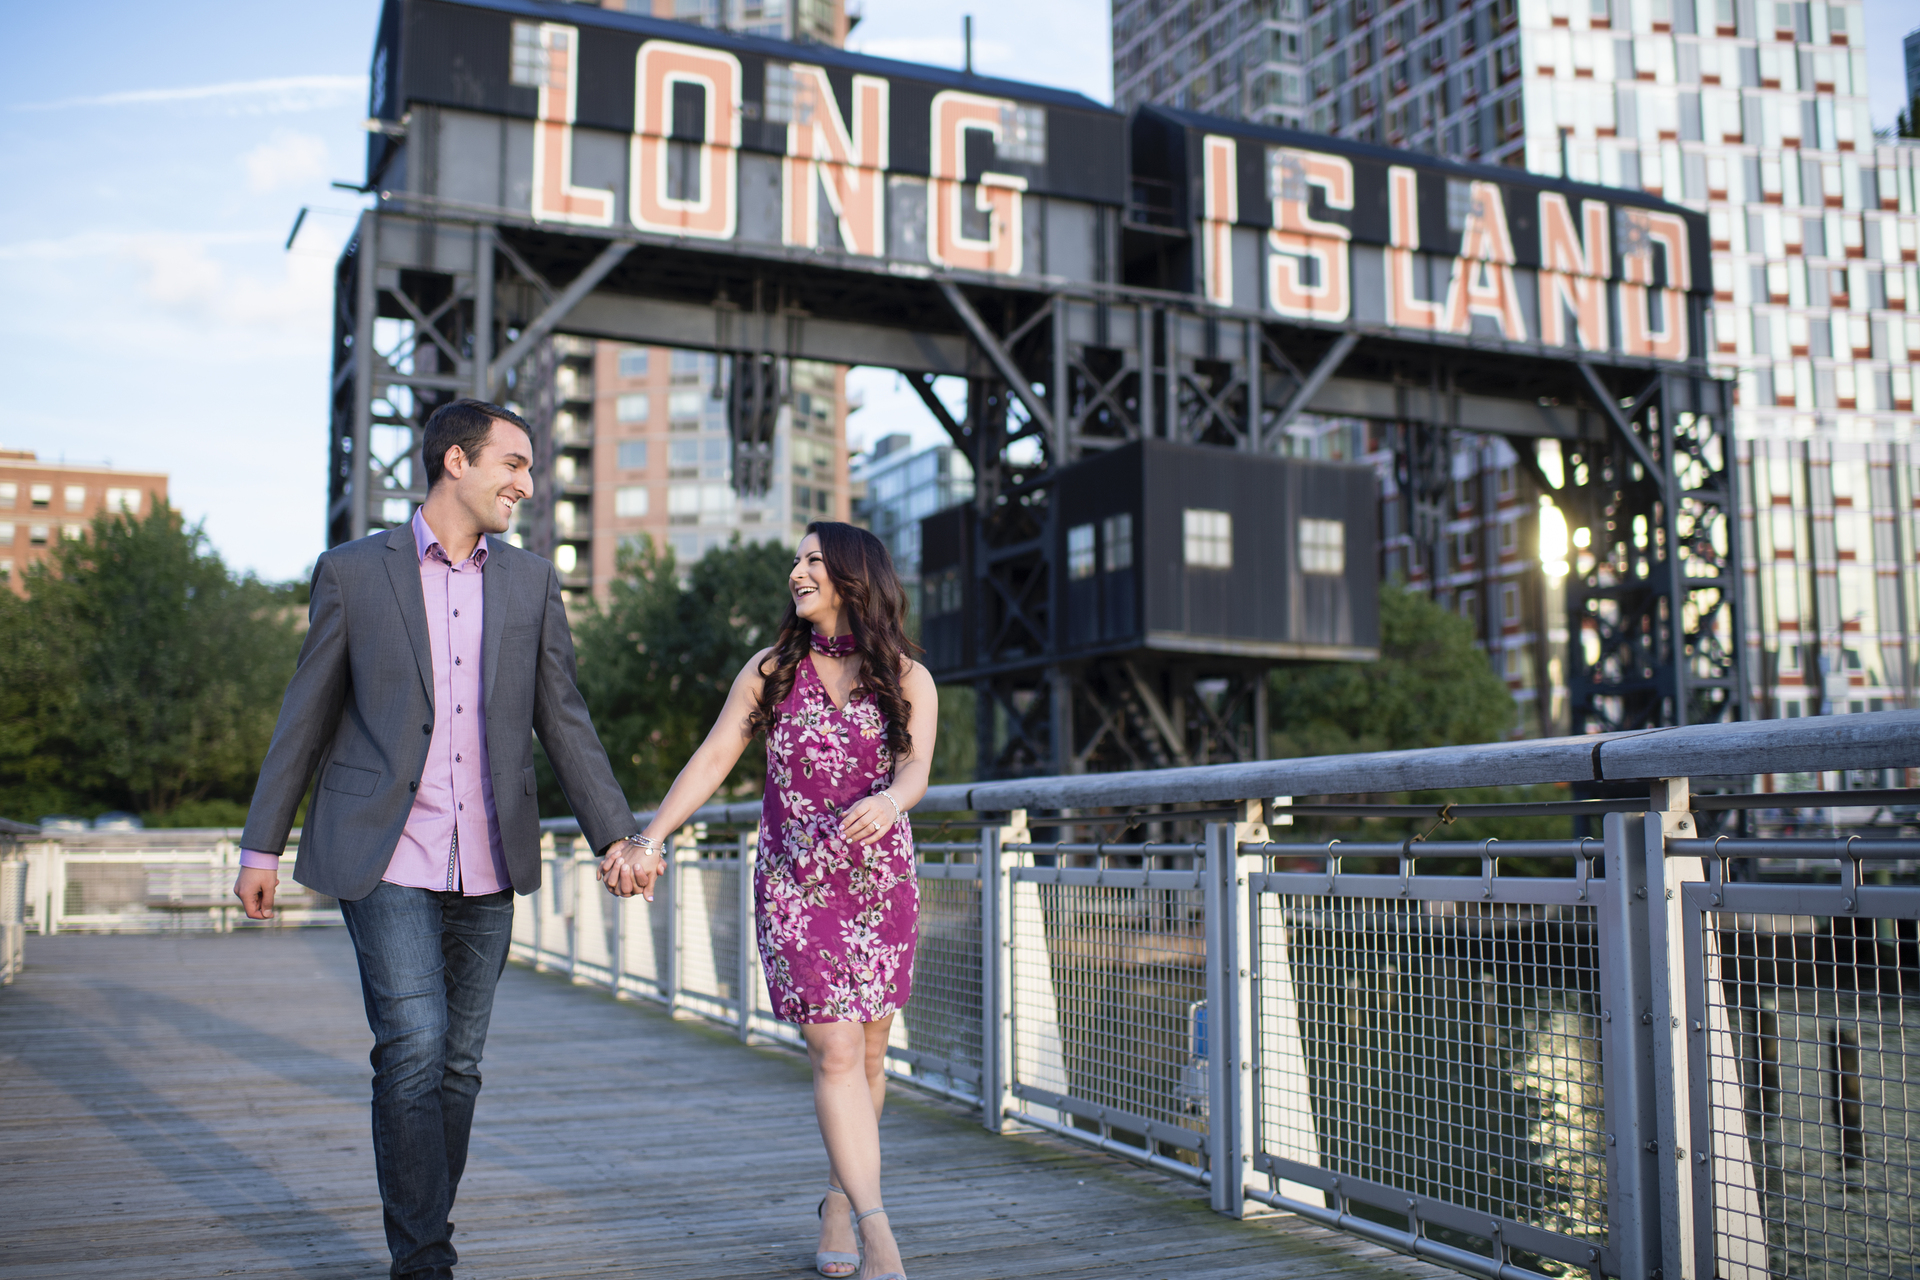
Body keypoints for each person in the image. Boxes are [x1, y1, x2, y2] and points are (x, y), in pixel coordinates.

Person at [232, 398, 662, 1280]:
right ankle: (424, 1257)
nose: (526, 484)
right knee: (415, 1044)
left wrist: (617, 835)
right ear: (455, 463)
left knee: (458, 1066)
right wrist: (260, 846)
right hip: (383, 847)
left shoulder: (530, 581)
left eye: (532, 468)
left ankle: (424, 1220)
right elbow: (305, 716)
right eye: (513, 464)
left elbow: (565, 721)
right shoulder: (354, 572)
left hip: (490, 853)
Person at [600, 521, 935, 1280]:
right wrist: (651, 838)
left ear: (855, 575)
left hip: (878, 883)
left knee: (873, 1049)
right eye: (797, 559)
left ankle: (842, 1201)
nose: (797, 571)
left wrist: (890, 801)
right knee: (836, 1047)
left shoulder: (907, 675)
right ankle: (881, 1233)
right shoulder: (771, 670)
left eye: (814, 559)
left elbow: (917, 768)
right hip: (794, 884)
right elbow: (715, 756)